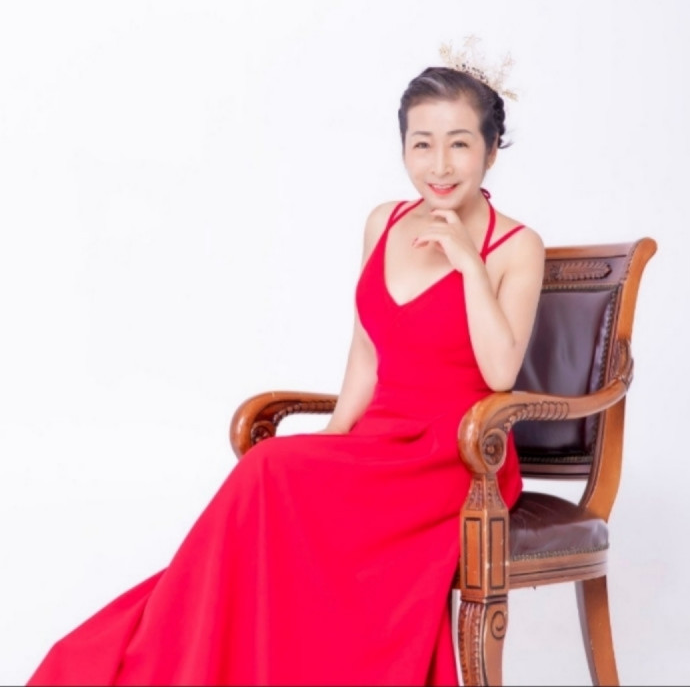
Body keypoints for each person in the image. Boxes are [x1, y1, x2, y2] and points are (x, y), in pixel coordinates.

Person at [28, 48, 545, 685]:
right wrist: (337, 432)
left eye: (460, 144)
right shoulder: (384, 222)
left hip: (459, 457)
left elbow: (500, 374)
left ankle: (170, 656)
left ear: (491, 152)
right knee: (277, 489)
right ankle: (181, 653)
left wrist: (467, 261)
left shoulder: (515, 246)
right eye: (422, 144)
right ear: (404, 149)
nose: (439, 165)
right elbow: (367, 346)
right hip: (379, 443)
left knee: (269, 467)